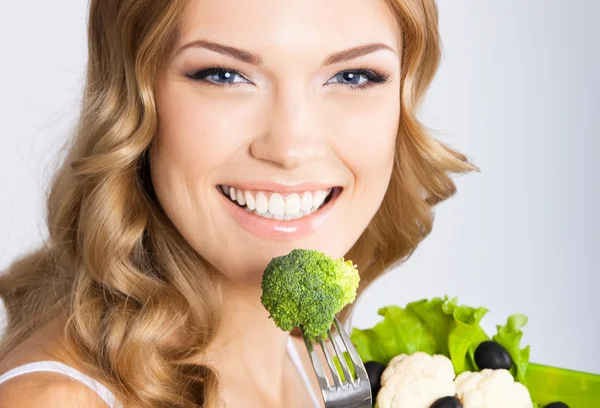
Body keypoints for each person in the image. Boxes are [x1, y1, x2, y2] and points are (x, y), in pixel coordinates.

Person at [0, 0, 475, 406]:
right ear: (135, 101)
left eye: (353, 76)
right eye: (224, 75)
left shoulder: (311, 362)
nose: (290, 149)